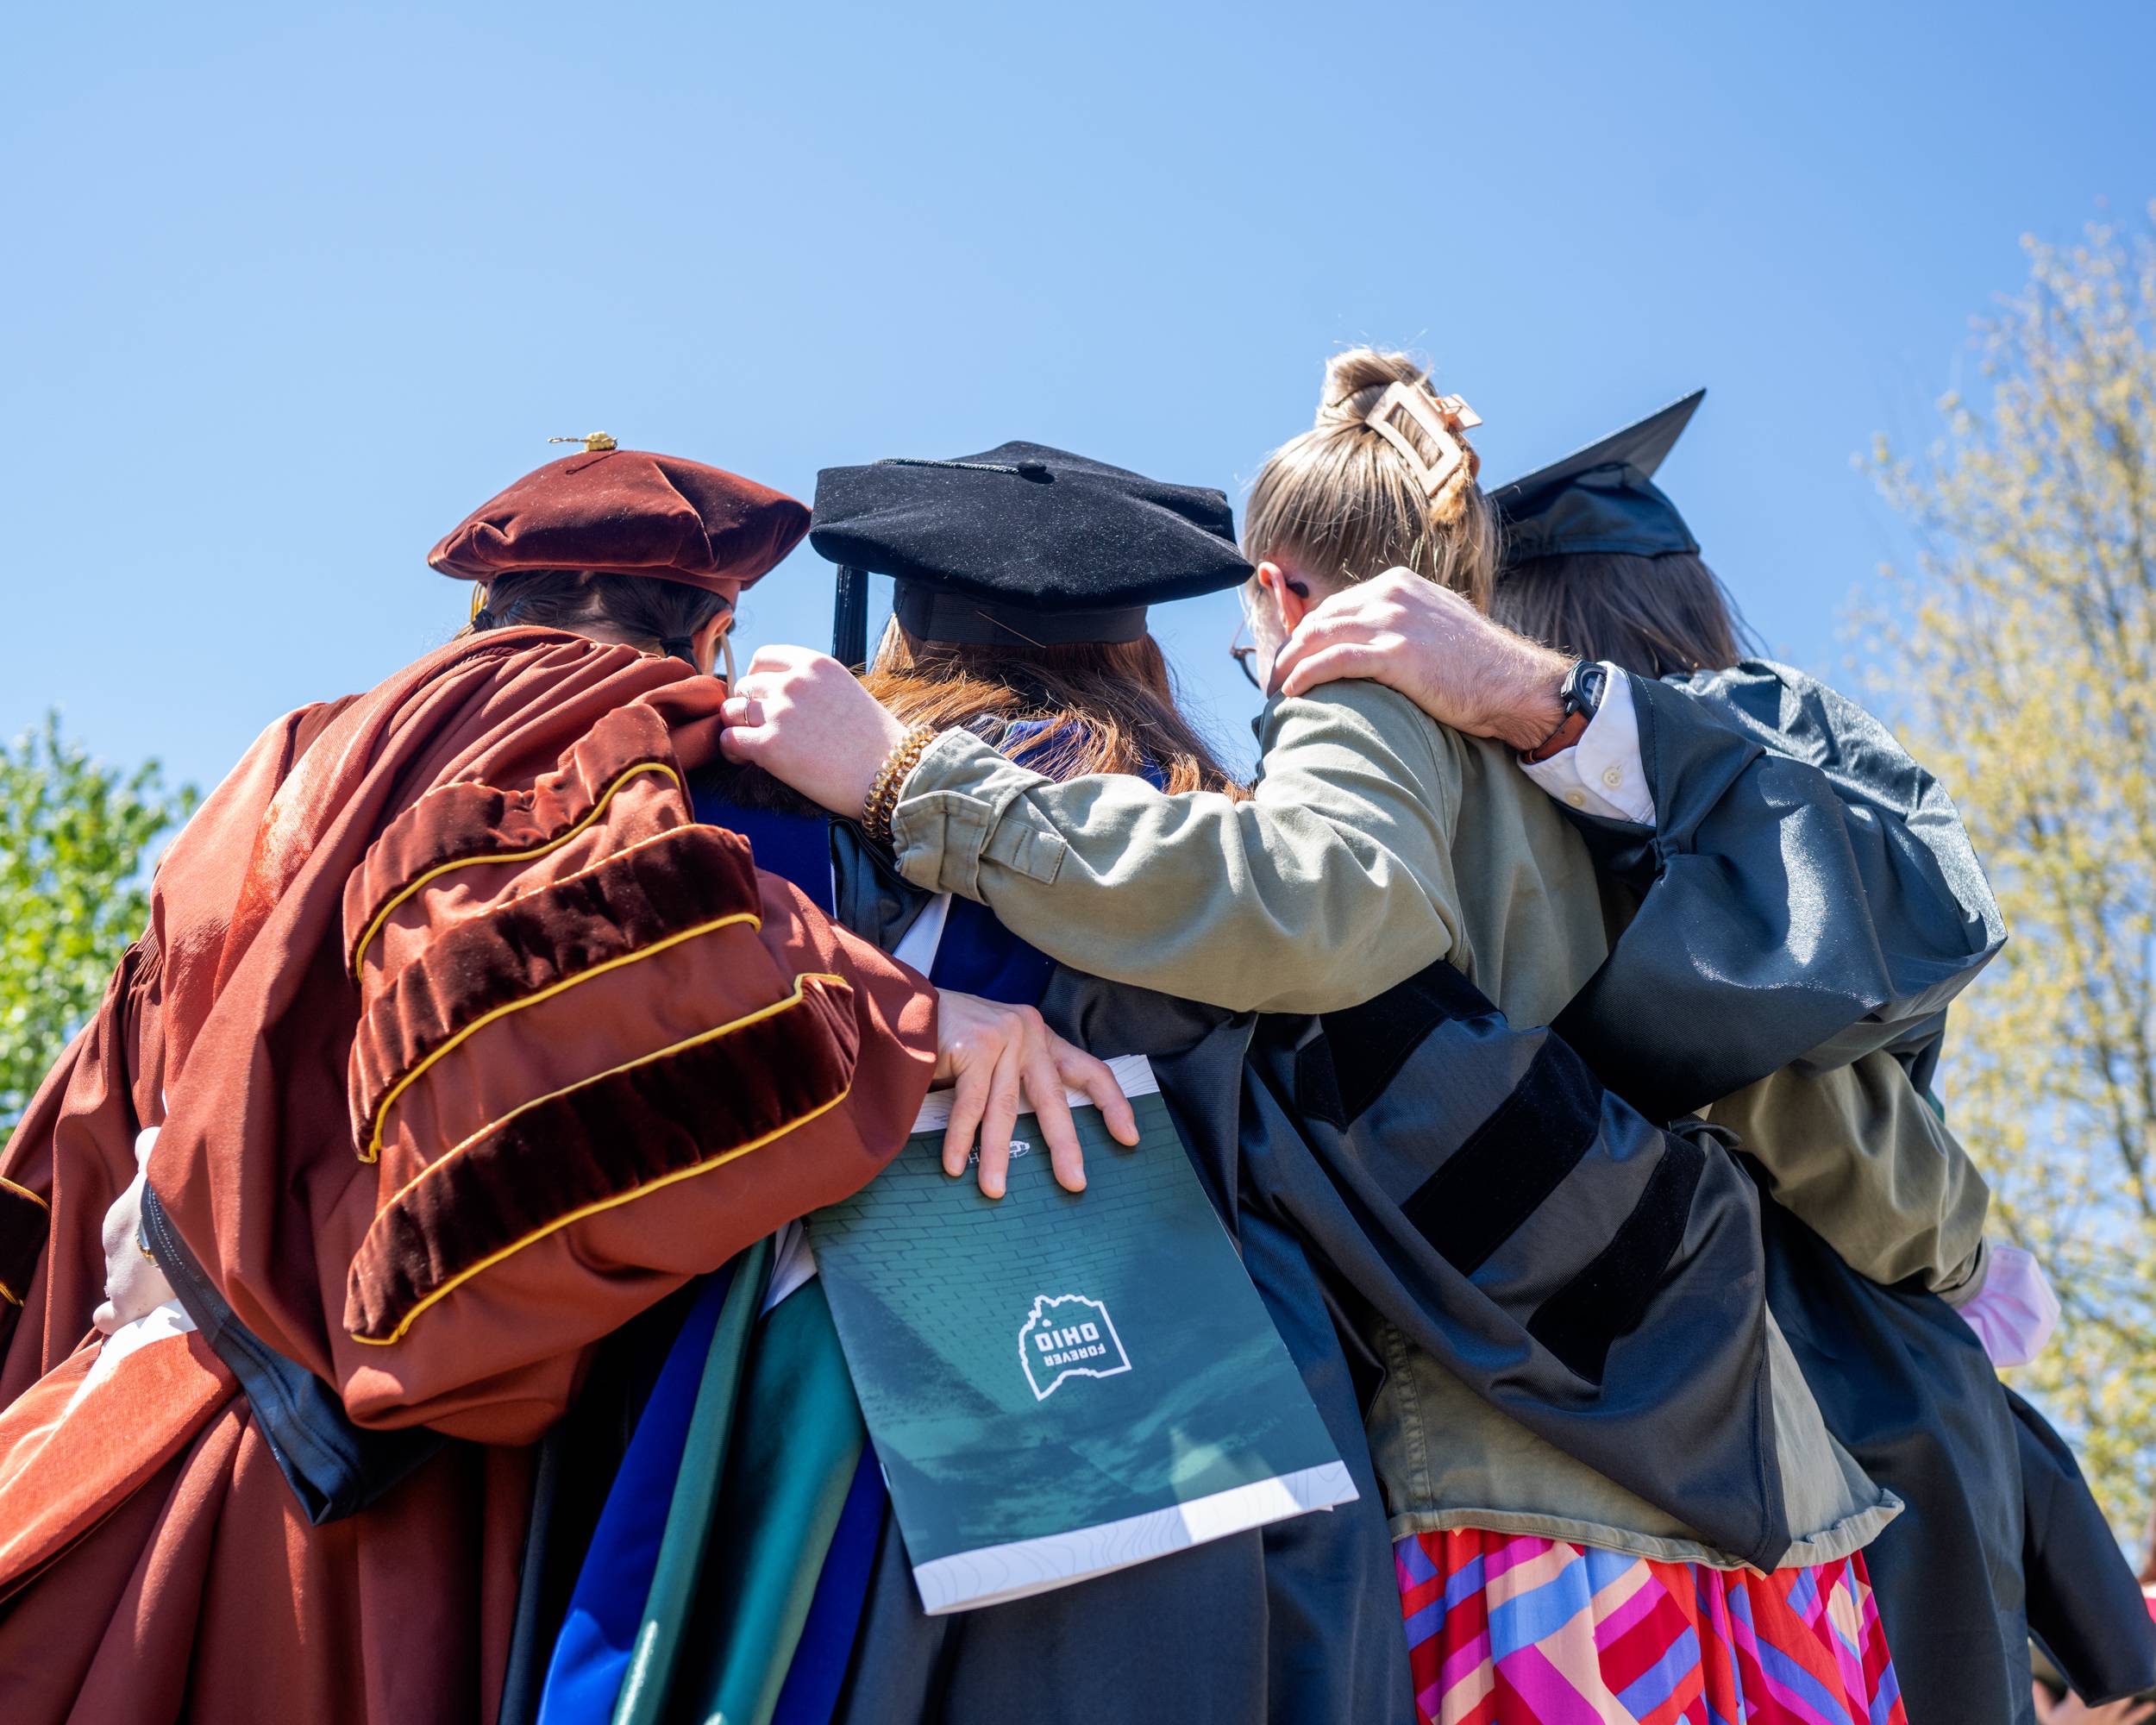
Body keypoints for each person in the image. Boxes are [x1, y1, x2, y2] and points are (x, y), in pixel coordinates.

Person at [719, 353, 1994, 1724]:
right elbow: (1908, 1187)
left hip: (1510, 1495)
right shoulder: (1650, 796)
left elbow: (1318, 906)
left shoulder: (1358, 725)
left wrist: (907, 787)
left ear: (1279, 589)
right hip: (1754, 1493)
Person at [0, 440, 1122, 1725]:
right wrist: (903, 1018)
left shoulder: (282, 770)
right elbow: (561, 953)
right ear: (711, 624)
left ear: (489, 603)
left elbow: (75, 1138)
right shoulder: (584, 722)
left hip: (107, 1442)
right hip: (370, 1500)